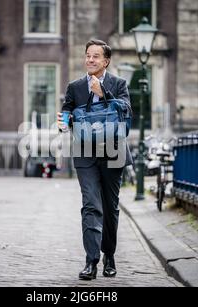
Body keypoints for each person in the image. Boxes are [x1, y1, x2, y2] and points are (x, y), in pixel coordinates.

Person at [57, 39, 133, 280]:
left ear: (106, 61)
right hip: (85, 151)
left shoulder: (118, 84)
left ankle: (109, 254)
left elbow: (127, 111)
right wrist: (63, 121)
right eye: (87, 55)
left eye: (95, 56)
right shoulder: (75, 86)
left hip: (113, 151)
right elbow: (67, 109)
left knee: (110, 207)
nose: (90, 60)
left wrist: (105, 93)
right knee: (91, 204)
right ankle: (91, 261)